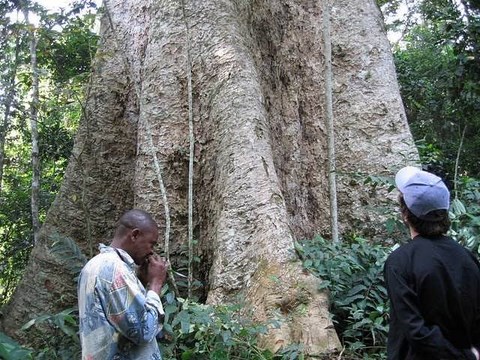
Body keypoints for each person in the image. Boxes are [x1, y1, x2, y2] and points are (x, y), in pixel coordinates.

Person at [384, 166, 480, 360]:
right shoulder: (467, 257)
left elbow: (416, 331)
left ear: (405, 214)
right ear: (444, 213)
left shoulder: (400, 262)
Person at [78, 209, 169, 360]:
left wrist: (140, 281)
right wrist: (155, 284)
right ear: (134, 235)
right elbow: (142, 331)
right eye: (151, 244)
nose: (152, 252)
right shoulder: (115, 270)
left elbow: (112, 317)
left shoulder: (93, 265)